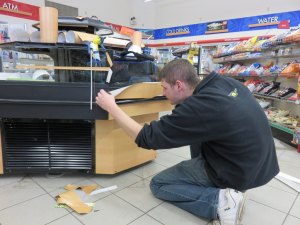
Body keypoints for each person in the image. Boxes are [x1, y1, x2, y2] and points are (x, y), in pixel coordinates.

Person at [95, 59, 279, 225]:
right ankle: (225, 189)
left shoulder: (199, 108)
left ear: (179, 85)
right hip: (262, 164)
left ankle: (222, 203)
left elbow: (148, 137)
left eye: (164, 88)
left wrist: (112, 107)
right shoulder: (223, 82)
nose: (162, 92)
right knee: (197, 138)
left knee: (158, 184)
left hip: (238, 172)